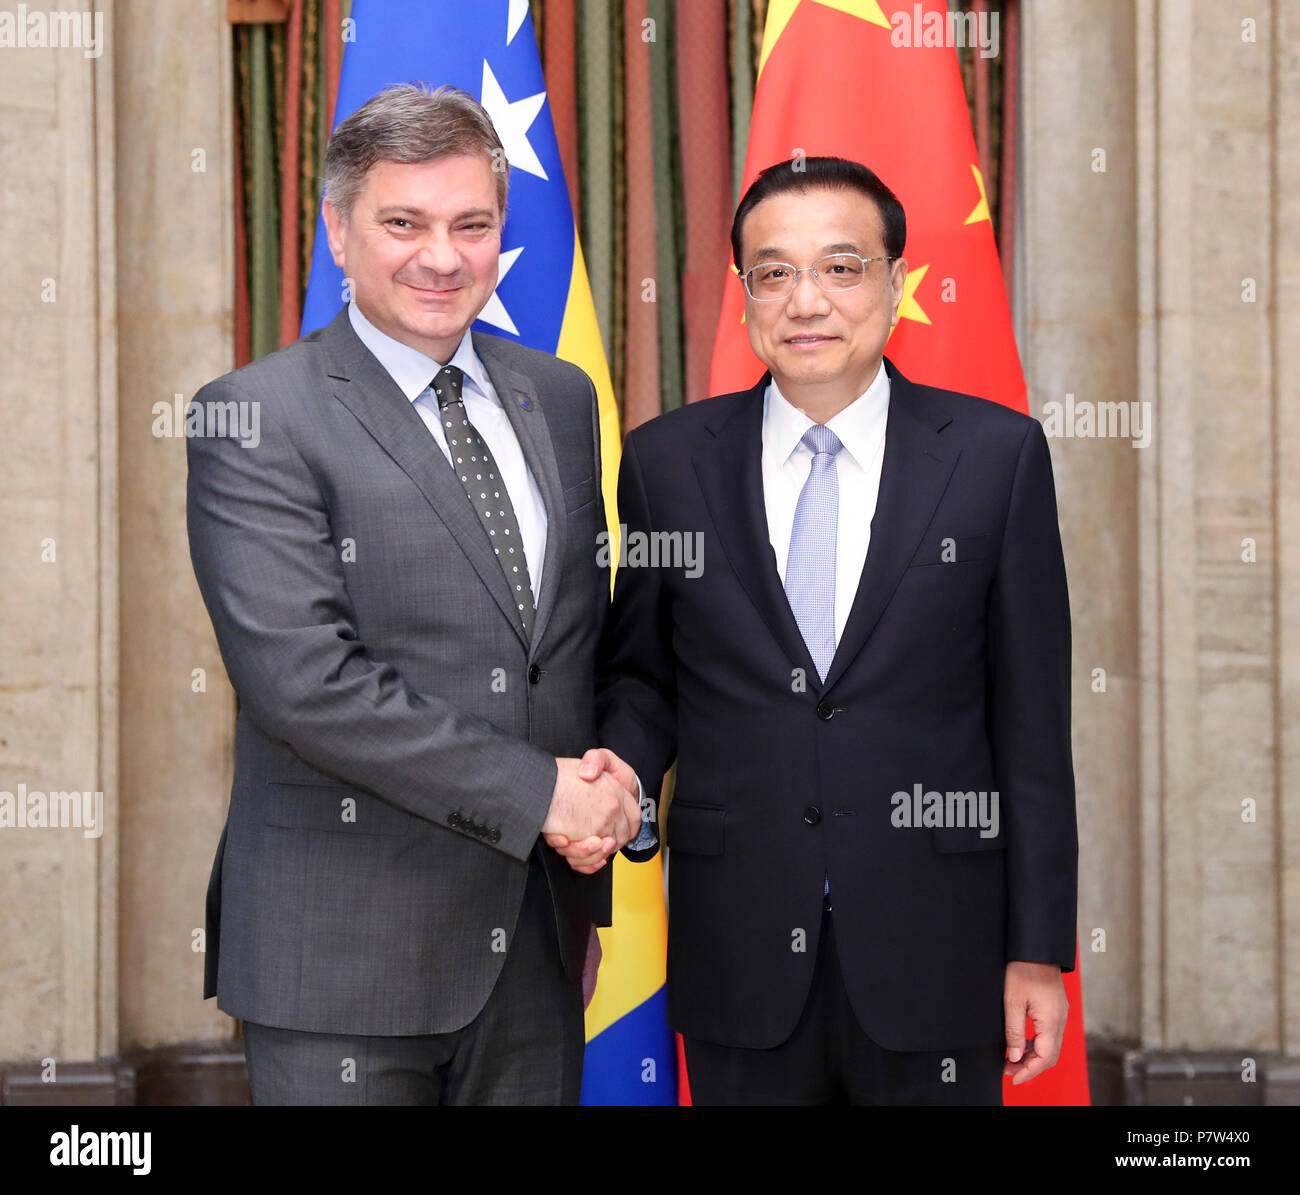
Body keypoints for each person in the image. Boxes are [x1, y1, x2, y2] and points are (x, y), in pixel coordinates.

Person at [567, 156, 1078, 1105]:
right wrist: (619, 782)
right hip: (739, 948)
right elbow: (640, 679)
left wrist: (1036, 951)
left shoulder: (995, 457)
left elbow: (1034, 728)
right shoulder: (666, 461)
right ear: (745, 294)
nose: (807, 299)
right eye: (774, 271)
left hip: (940, 950)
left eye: (842, 267)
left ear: (894, 282)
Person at [186, 83, 641, 1106]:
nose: (442, 256)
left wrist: (608, 800)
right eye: (404, 223)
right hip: (340, 963)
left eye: (471, 225)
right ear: (338, 233)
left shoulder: (557, 398)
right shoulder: (252, 417)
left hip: (532, 950)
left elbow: (569, 648)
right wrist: (546, 799)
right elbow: (306, 686)